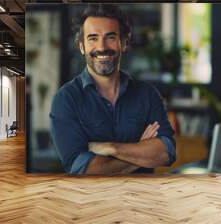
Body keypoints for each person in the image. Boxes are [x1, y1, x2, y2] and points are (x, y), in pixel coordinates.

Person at [50, 4, 176, 174]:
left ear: (123, 43)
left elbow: (166, 152)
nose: (102, 47)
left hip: (142, 198)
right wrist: (141, 150)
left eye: (110, 37)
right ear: (82, 46)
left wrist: (112, 148)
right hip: (91, 200)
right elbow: (83, 170)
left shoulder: (147, 94)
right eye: (93, 38)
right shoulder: (66, 99)